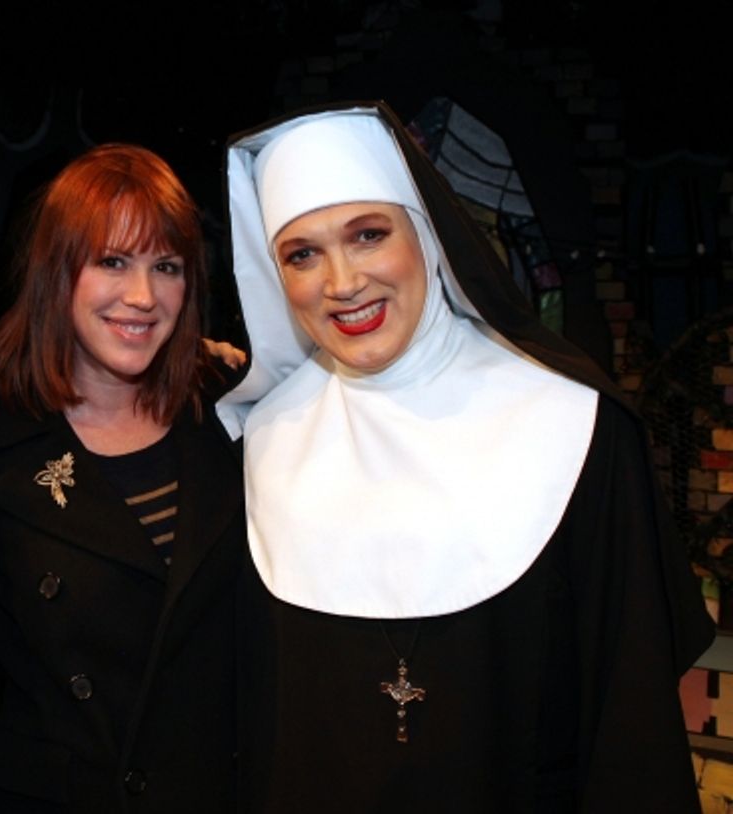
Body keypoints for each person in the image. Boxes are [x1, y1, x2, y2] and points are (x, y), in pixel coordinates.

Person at [217, 103, 714, 812]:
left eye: (367, 235)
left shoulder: (575, 427)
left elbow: (629, 719)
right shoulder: (259, 444)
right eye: (301, 254)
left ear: (425, 235)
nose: (343, 282)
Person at [0, 144, 243, 812]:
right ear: (57, 272)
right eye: (113, 262)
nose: (143, 296)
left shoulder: (234, 414)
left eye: (167, 267)